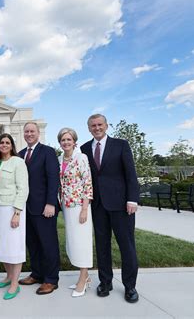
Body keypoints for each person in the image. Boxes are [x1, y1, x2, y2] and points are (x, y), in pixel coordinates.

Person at [80, 114, 140, 303]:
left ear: (106, 126)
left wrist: (132, 199)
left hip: (121, 205)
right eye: (93, 125)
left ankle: (130, 286)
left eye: (99, 125)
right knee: (102, 246)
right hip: (97, 206)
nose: (96, 128)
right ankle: (105, 282)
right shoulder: (83, 149)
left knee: (126, 246)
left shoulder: (121, 145)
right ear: (88, 128)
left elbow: (131, 173)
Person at [18, 122, 60, 295]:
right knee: (32, 243)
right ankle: (36, 274)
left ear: (38, 133)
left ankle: (51, 279)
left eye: (32, 131)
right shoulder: (20, 155)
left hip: (44, 207)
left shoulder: (48, 152)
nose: (29, 134)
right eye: (26, 131)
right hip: (26, 208)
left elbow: (53, 178)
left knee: (48, 243)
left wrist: (51, 203)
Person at [0, 133, 29, 300]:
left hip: (12, 209)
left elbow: (23, 188)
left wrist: (17, 213)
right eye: (1, 143)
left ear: (12, 146)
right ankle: (8, 276)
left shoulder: (18, 162)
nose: (4, 145)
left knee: (14, 246)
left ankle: (15, 283)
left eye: (7, 142)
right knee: (2, 244)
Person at [57, 127, 94, 298]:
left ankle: (83, 278)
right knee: (72, 241)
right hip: (66, 205)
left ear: (74, 141)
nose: (65, 142)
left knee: (82, 242)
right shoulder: (59, 159)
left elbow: (87, 183)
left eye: (68, 139)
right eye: (63, 140)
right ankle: (84, 275)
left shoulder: (81, 158)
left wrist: (85, 209)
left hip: (80, 206)